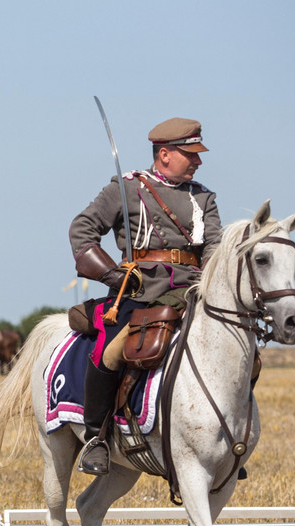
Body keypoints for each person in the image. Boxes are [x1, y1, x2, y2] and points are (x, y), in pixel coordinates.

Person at [69, 117, 223, 475]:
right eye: (191, 154)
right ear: (165, 154)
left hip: (194, 290)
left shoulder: (203, 196)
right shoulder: (125, 190)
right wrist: (110, 273)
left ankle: (223, 438)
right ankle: (96, 437)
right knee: (110, 351)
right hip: (141, 291)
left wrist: (213, 278)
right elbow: (82, 229)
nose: (198, 161)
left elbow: (214, 243)